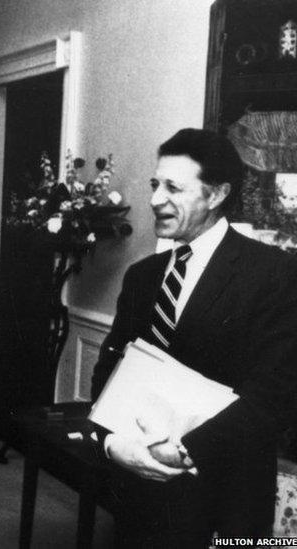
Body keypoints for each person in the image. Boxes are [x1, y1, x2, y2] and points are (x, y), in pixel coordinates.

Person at [91, 128, 297, 546]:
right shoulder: (142, 277)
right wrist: (114, 444)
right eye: (154, 185)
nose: (154, 199)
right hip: (138, 494)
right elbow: (108, 374)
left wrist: (183, 451)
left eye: (173, 188)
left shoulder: (274, 274)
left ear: (217, 194)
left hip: (225, 501)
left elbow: (272, 395)